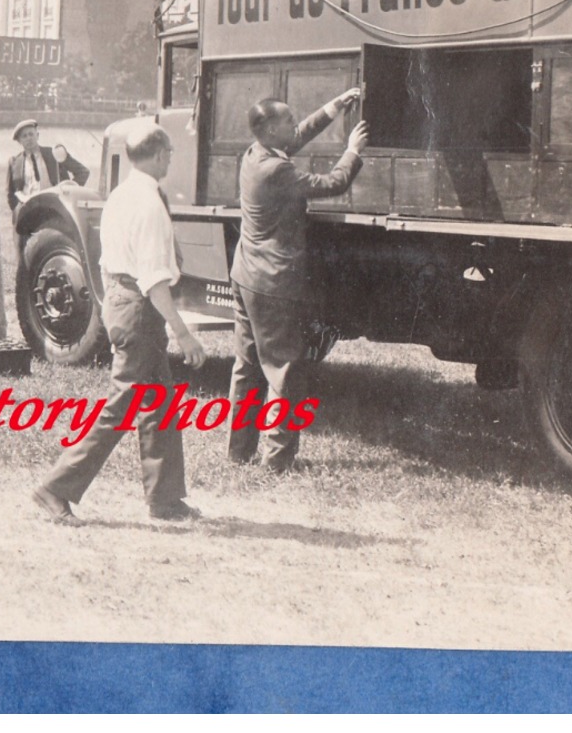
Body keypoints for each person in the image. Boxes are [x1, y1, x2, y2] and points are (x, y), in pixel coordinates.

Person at [32, 122, 207, 522]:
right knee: (120, 406)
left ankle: (165, 499)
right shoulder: (147, 204)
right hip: (140, 308)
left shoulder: (120, 196)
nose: (171, 160)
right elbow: (154, 280)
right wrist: (183, 333)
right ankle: (54, 488)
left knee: (159, 402)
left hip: (120, 299)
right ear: (160, 155)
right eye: (170, 154)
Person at [228, 89, 367, 472]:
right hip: (273, 283)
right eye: (288, 120)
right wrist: (353, 150)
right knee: (285, 369)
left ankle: (239, 452)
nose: (295, 124)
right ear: (271, 129)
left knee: (247, 367)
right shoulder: (277, 170)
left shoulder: (255, 153)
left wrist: (332, 109)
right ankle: (277, 462)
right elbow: (332, 184)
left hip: (246, 275)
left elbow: (298, 134)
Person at [6, 118, 90, 214]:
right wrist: (17, 209)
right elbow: (10, 193)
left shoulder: (54, 153)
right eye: (24, 136)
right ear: (19, 141)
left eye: (31, 134)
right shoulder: (14, 162)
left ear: (37, 136)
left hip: (52, 209)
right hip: (26, 212)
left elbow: (83, 172)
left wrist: (68, 191)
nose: (29, 138)